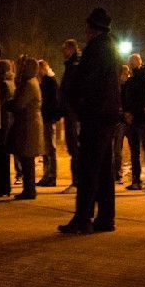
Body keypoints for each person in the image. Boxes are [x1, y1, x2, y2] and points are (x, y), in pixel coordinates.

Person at [59, 8, 120, 234]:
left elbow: (86, 81)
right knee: (103, 169)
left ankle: (83, 218)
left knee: (88, 168)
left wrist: (76, 102)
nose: (85, 31)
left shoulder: (96, 50)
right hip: (107, 114)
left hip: (95, 115)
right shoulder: (110, 48)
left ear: (93, 29)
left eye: (88, 27)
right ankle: (105, 217)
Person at [9, 57, 44, 199]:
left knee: (27, 158)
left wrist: (9, 104)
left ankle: (29, 189)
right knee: (26, 157)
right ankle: (28, 188)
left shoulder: (29, 84)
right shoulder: (31, 83)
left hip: (29, 125)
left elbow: (20, 104)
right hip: (28, 124)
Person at [122, 53, 145, 190]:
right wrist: (126, 113)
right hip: (133, 119)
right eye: (130, 61)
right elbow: (125, 98)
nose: (131, 64)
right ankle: (136, 179)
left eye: (133, 61)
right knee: (135, 151)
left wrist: (134, 111)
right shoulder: (130, 81)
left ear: (139, 62)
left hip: (142, 119)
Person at [58, 39, 82, 194]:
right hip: (70, 111)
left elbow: (73, 89)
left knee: (75, 146)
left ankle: (77, 181)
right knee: (73, 146)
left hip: (73, 112)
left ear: (71, 48)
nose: (63, 51)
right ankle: (77, 180)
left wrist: (69, 107)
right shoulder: (71, 65)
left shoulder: (75, 66)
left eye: (65, 48)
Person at [37, 59, 59, 187]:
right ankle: (47, 175)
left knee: (50, 148)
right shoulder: (46, 82)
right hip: (46, 118)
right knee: (46, 148)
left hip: (48, 119)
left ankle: (51, 175)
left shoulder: (51, 82)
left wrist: (52, 116)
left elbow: (53, 102)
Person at [0, 59, 16, 197]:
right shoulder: (11, 83)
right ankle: (5, 187)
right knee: (4, 157)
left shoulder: (2, 85)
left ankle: (1, 187)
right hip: (8, 123)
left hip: (2, 123)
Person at [112, 65, 131, 185]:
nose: (127, 76)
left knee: (132, 149)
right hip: (120, 121)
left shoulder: (128, 86)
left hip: (126, 121)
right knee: (117, 149)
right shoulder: (118, 87)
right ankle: (117, 174)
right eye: (125, 74)